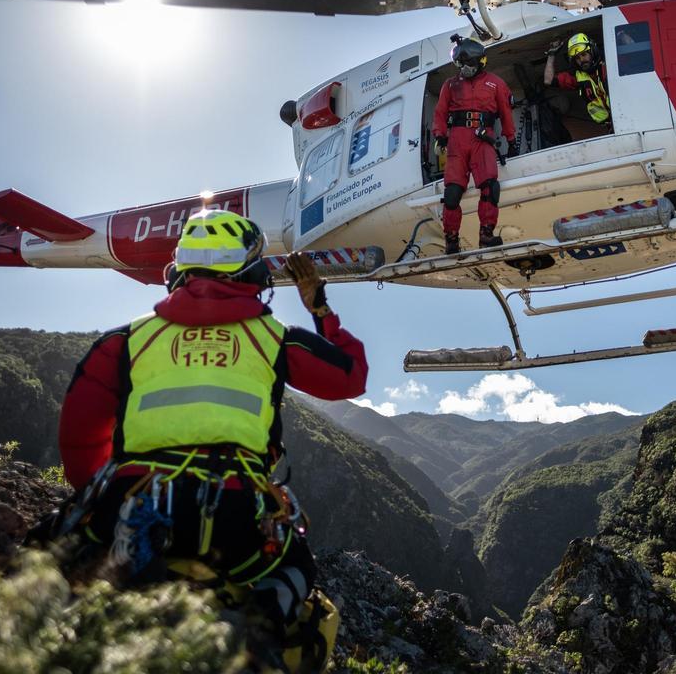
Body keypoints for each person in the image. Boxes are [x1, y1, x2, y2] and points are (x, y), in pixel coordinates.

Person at [56, 208, 367, 653]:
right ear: (250, 271)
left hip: (135, 501)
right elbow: (351, 376)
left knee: (66, 542)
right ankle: (255, 634)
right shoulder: (276, 338)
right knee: (296, 566)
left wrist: (105, 495)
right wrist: (320, 308)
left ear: (179, 269)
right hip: (235, 513)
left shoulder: (125, 341)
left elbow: (80, 439)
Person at [432, 35, 517, 254]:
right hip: (457, 139)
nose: (464, 68)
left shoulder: (495, 83)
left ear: (479, 61)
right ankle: (451, 240)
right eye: (461, 64)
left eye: (468, 63)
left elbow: (506, 113)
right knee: (452, 193)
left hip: (483, 138)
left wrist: (511, 139)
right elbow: (440, 112)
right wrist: (440, 135)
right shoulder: (450, 85)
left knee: (490, 187)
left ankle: (486, 235)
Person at [543, 31, 612, 127]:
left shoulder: (610, 63)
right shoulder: (577, 77)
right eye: (577, 58)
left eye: (584, 54)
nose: (581, 60)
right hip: (610, 126)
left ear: (592, 51)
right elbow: (548, 80)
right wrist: (551, 54)